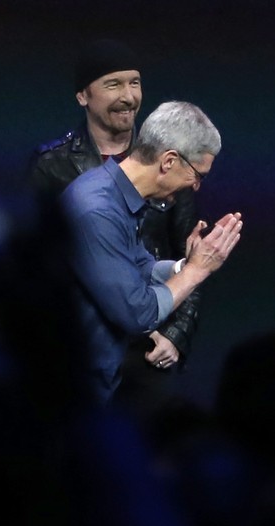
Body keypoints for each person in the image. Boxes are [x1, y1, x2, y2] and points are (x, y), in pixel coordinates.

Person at [27, 38, 203, 417]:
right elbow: (39, 266)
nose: (128, 96)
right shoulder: (52, 165)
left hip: (153, 340)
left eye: (135, 83)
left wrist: (176, 335)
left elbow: (192, 256)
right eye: (114, 84)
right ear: (82, 96)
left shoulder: (169, 161)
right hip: (88, 342)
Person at [60, 100, 242, 406]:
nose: (196, 187)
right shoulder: (98, 210)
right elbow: (138, 313)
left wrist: (186, 263)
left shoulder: (117, 196)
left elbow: (141, 267)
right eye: (198, 175)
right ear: (169, 161)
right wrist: (198, 270)